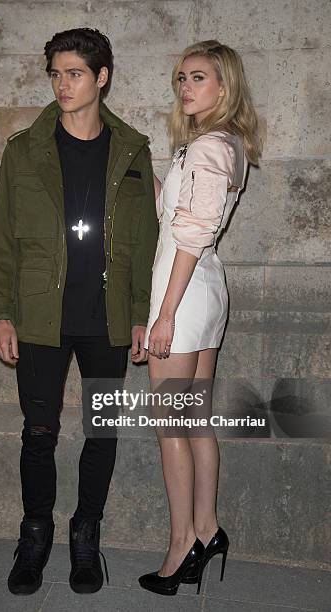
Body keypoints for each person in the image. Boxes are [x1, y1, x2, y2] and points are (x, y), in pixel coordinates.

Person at [0, 28, 158, 596]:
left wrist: (139, 315)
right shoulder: (24, 149)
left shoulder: (132, 151)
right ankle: (35, 538)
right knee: (39, 431)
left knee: (101, 431)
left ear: (102, 78)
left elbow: (146, 244)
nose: (62, 84)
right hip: (38, 316)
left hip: (105, 318)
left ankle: (86, 537)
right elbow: (2, 238)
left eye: (74, 73)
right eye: (55, 73)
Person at [138, 40, 261, 596]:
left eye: (198, 78)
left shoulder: (210, 147)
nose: (186, 88)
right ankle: (208, 530)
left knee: (171, 428)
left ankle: (181, 546)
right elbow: (186, 217)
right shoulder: (219, 146)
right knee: (196, 421)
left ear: (224, 85)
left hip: (182, 295)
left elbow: (190, 234)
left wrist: (163, 317)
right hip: (203, 289)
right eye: (181, 78)